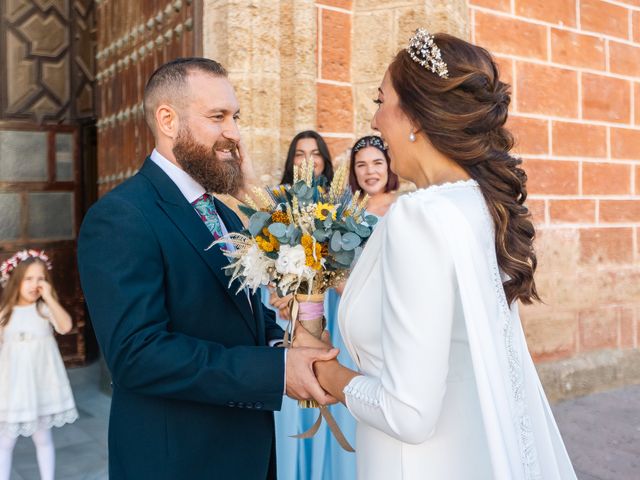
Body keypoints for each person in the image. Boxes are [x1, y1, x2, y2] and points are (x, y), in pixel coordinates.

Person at [295, 30, 577, 479]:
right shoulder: (478, 203)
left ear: (416, 118)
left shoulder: (418, 216)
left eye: (380, 100)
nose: (374, 120)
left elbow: (408, 413)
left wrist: (320, 371)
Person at [77, 57, 338, 480]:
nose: (234, 133)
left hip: (246, 453)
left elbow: (238, 320)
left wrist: (282, 349)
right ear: (167, 119)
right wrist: (273, 372)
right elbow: (136, 354)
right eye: (218, 117)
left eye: (235, 117)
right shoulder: (121, 216)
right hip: (178, 460)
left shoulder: (226, 214)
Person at [265, 132, 356, 480]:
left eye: (315, 154)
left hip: (329, 306)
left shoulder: (341, 204)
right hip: (288, 308)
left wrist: (324, 282)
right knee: (295, 388)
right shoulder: (277, 203)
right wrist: (279, 292)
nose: (307, 160)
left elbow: (347, 261)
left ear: (324, 161)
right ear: (291, 161)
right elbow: (266, 254)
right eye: (300, 153)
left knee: (331, 379)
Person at [0, 250, 78, 480]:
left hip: (40, 385)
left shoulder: (44, 310)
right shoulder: (6, 313)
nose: (36, 284)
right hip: (12, 386)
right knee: (5, 440)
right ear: (16, 281)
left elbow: (65, 326)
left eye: (41, 278)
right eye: (29, 279)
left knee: (43, 438)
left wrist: (51, 298)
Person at [348, 135, 399, 217]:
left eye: (378, 163)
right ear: (353, 170)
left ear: (389, 166)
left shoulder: (404, 208)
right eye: (361, 165)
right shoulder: (343, 211)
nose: (370, 171)